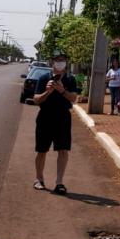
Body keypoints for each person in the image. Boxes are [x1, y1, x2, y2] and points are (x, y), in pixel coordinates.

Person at [33, 51, 79, 194]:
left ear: (66, 62)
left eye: (62, 60)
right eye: (57, 60)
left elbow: (73, 98)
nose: (60, 62)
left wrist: (62, 90)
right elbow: (36, 99)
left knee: (63, 150)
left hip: (63, 118)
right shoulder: (43, 78)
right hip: (45, 117)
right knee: (41, 150)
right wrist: (48, 92)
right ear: (52, 62)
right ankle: (39, 179)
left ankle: (59, 182)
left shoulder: (71, 79)